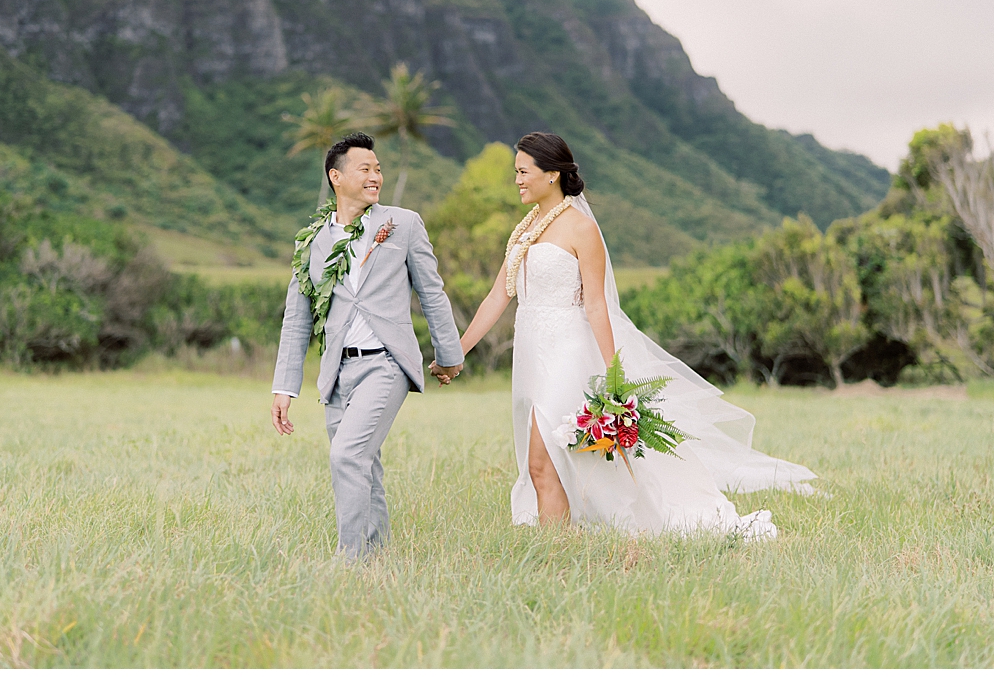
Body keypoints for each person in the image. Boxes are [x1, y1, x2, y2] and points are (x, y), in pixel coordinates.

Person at [450, 132, 816, 539]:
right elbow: (499, 295)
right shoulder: (525, 229)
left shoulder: (581, 229)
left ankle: (552, 552)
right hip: (531, 356)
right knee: (546, 463)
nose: (516, 180)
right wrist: (458, 351)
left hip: (567, 355)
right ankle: (561, 544)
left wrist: (614, 375)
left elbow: (596, 306)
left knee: (542, 461)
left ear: (551, 174)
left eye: (523, 172)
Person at [271, 132, 464, 560]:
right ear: (336, 177)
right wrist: (284, 387)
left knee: (347, 456)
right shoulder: (312, 242)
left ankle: (349, 558)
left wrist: (450, 356)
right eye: (366, 169)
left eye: (378, 169)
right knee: (364, 465)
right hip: (338, 373)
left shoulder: (403, 224)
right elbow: (297, 317)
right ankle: (376, 560)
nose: (376, 176)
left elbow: (432, 293)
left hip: (386, 366)